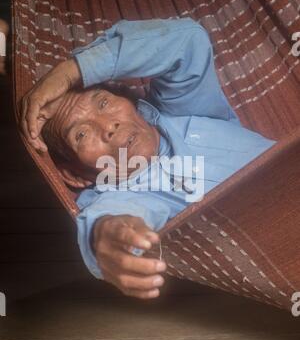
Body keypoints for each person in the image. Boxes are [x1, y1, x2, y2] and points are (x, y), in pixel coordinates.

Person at [21, 18, 276, 300]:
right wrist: (106, 236)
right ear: (74, 175)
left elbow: (188, 40)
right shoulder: (124, 193)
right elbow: (109, 219)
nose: (107, 126)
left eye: (103, 103)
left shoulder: (185, 108)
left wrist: (73, 70)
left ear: (132, 103)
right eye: (81, 134)